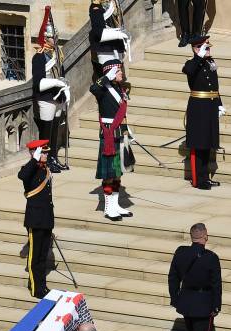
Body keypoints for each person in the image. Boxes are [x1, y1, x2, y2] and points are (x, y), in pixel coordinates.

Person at [168, 223, 222, 331]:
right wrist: (216, 306)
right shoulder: (211, 257)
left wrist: (175, 298)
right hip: (203, 305)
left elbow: (173, 278)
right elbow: (216, 285)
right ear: (205, 236)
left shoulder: (180, 253)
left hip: (186, 303)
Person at [90, 59, 135, 221]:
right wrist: (106, 78)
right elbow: (93, 88)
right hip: (109, 134)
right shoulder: (103, 89)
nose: (121, 73)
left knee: (117, 173)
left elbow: (121, 111)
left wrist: (127, 129)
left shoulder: (119, 88)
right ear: (110, 73)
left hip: (120, 133)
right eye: (118, 71)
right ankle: (108, 209)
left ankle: (115, 205)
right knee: (109, 174)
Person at [183, 35, 225, 190]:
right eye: (205, 48)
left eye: (208, 48)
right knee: (198, 144)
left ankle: (205, 177)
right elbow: (188, 70)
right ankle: (198, 180)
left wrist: (219, 104)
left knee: (208, 143)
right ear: (196, 48)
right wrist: (198, 57)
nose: (208, 50)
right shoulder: (192, 63)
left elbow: (214, 86)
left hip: (210, 107)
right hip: (198, 108)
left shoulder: (210, 62)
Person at [32, 7, 70, 173]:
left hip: (57, 97)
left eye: (55, 35)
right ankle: (44, 161)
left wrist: (62, 85)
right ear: (45, 38)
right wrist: (57, 82)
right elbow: (39, 83)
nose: (55, 39)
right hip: (46, 98)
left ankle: (53, 158)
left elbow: (60, 73)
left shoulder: (57, 54)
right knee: (46, 133)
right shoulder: (39, 56)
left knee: (55, 130)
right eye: (52, 36)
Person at [18, 139, 54, 299]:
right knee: (34, 256)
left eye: (46, 152)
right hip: (35, 219)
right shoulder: (29, 169)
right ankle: (36, 288)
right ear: (36, 152)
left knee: (42, 255)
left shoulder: (45, 169)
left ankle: (42, 285)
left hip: (46, 218)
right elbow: (22, 176)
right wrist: (34, 159)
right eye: (43, 152)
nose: (46, 154)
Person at [89, 0, 130, 79]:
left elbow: (119, 23)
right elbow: (98, 32)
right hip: (105, 49)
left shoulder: (115, 3)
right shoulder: (96, 6)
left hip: (117, 47)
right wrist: (118, 34)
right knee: (109, 79)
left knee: (118, 78)